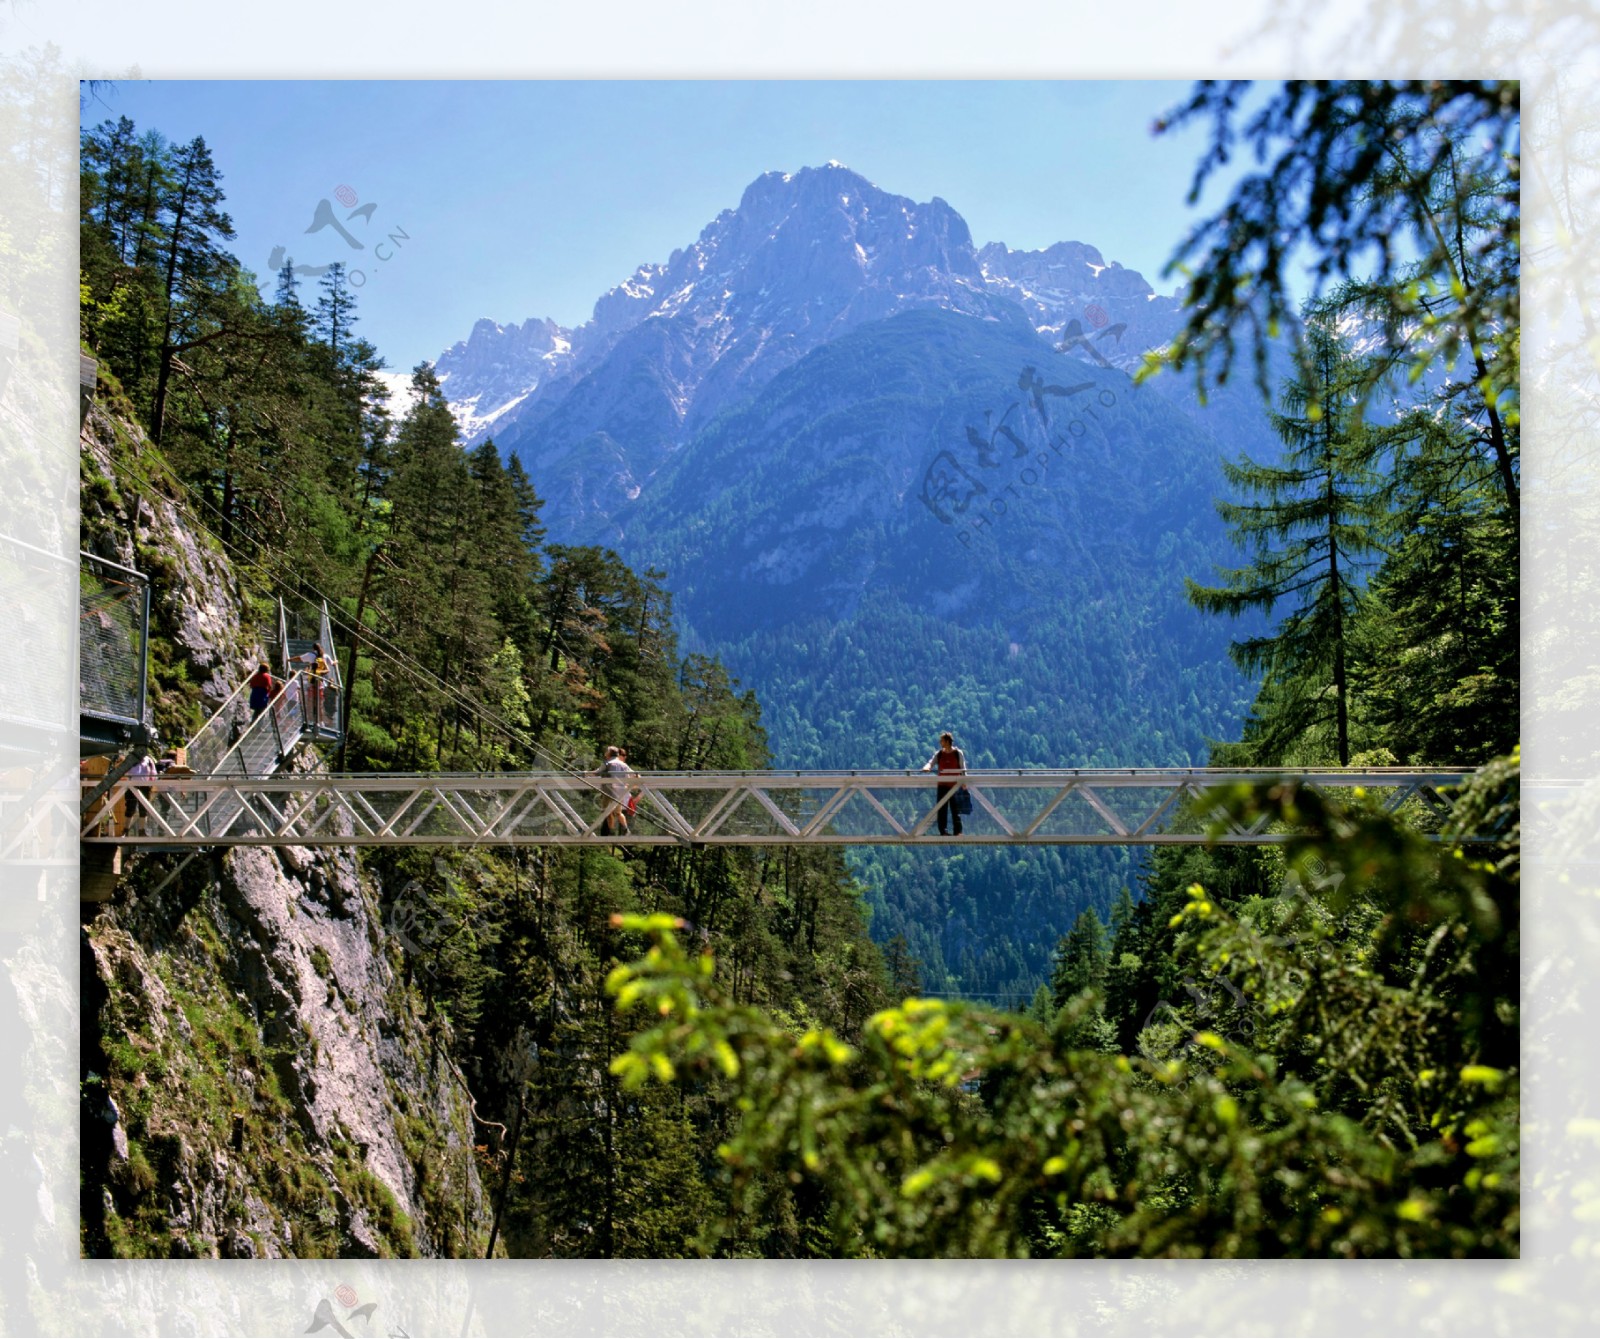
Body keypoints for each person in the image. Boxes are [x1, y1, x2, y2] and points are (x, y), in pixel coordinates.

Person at [921, 731, 968, 836]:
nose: (940, 742)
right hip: (942, 785)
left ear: (947, 741)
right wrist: (927, 767)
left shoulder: (957, 753)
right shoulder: (940, 753)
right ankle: (943, 831)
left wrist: (964, 781)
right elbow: (931, 762)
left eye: (941, 740)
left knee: (955, 810)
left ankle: (958, 832)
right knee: (942, 810)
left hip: (954, 785)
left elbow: (963, 767)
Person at [595, 745, 634, 837]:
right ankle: (625, 829)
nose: (605, 753)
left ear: (609, 753)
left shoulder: (608, 763)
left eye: (606, 751)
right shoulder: (623, 765)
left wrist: (585, 774)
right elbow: (631, 776)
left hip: (608, 791)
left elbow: (597, 772)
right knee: (618, 812)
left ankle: (610, 831)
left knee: (605, 811)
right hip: (620, 792)